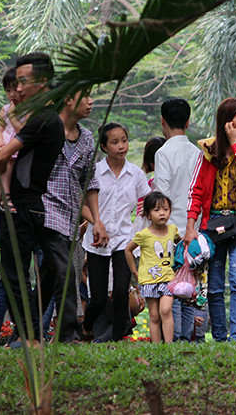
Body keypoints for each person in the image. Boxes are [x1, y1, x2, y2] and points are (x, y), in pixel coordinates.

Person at [0, 53, 67, 343]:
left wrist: (0, 151)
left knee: (16, 276)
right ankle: (32, 333)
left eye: (24, 82)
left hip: (24, 207)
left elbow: (1, 154)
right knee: (33, 271)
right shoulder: (46, 117)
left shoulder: (43, 119)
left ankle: (31, 336)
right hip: (33, 205)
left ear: (44, 82)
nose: (18, 89)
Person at [185, 97, 236, 342]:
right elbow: (196, 191)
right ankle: (220, 338)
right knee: (216, 285)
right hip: (213, 226)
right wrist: (190, 225)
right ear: (227, 122)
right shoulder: (208, 153)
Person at [41, 90, 107, 340]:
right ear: (68, 99)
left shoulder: (87, 139)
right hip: (45, 211)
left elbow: (88, 182)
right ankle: (69, 335)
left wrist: (97, 221)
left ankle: (24, 332)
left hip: (70, 216)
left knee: (49, 276)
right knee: (66, 270)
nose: (91, 102)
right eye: (85, 96)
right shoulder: (46, 129)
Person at [81, 122, 150, 342]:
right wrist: (97, 222)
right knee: (99, 299)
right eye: (115, 142)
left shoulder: (135, 174)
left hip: (124, 241)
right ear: (103, 147)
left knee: (121, 291)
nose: (121, 146)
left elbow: (147, 202)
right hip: (96, 241)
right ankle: (87, 327)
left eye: (124, 140)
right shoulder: (95, 172)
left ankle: (118, 339)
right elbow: (81, 203)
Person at [153, 97, 202, 342]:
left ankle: (177, 339)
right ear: (188, 122)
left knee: (171, 288)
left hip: (171, 232)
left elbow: (161, 195)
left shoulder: (163, 153)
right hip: (196, 231)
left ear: (163, 122)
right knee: (190, 288)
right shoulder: (198, 153)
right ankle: (192, 338)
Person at [124, 192, 180, 343]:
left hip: (169, 279)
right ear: (148, 215)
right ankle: (156, 347)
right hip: (149, 280)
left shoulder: (173, 230)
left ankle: (168, 345)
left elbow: (181, 244)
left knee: (166, 310)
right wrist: (134, 271)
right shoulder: (143, 234)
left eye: (165, 209)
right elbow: (128, 250)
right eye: (156, 210)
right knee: (154, 315)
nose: (162, 213)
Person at [0, 68, 27, 226]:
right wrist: (0, 143)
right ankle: (5, 198)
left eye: (15, 90)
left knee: (6, 172)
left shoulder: (27, 109)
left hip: (17, 144)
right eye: (8, 90)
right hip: (4, 146)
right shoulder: (5, 108)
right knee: (6, 166)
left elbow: (22, 132)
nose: (12, 95)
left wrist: (14, 117)